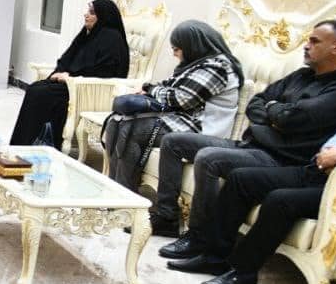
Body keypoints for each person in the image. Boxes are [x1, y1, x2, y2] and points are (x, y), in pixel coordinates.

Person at [158, 19, 336, 255]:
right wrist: (276, 112)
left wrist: (275, 110)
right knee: (174, 141)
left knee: (209, 158)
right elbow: (256, 102)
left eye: (314, 41)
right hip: (250, 143)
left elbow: (292, 119)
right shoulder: (301, 75)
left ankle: (198, 237)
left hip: (278, 158)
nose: (306, 45)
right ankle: (166, 217)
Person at [168, 127, 336, 284]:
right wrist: (328, 152)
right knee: (241, 179)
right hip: (319, 171)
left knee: (279, 200)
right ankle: (213, 258)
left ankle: (244, 273)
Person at [101, 20, 242, 191]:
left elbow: (183, 99)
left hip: (201, 129)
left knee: (132, 129)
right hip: (181, 120)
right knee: (116, 122)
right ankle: (115, 189)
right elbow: (169, 85)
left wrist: (152, 90)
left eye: (176, 49)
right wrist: (150, 89)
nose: (174, 54)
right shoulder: (197, 64)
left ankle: (125, 194)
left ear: (193, 46)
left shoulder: (218, 68)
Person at [9, 0, 129, 149]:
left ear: (103, 16)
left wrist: (70, 78)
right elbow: (67, 57)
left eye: (92, 12)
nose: (86, 15)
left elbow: (103, 72)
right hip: (72, 85)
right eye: (88, 11)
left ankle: (24, 146)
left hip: (89, 91)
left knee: (39, 93)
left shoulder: (112, 39)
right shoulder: (88, 35)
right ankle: (23, 145)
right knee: (36, 88)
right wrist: (60, 72)